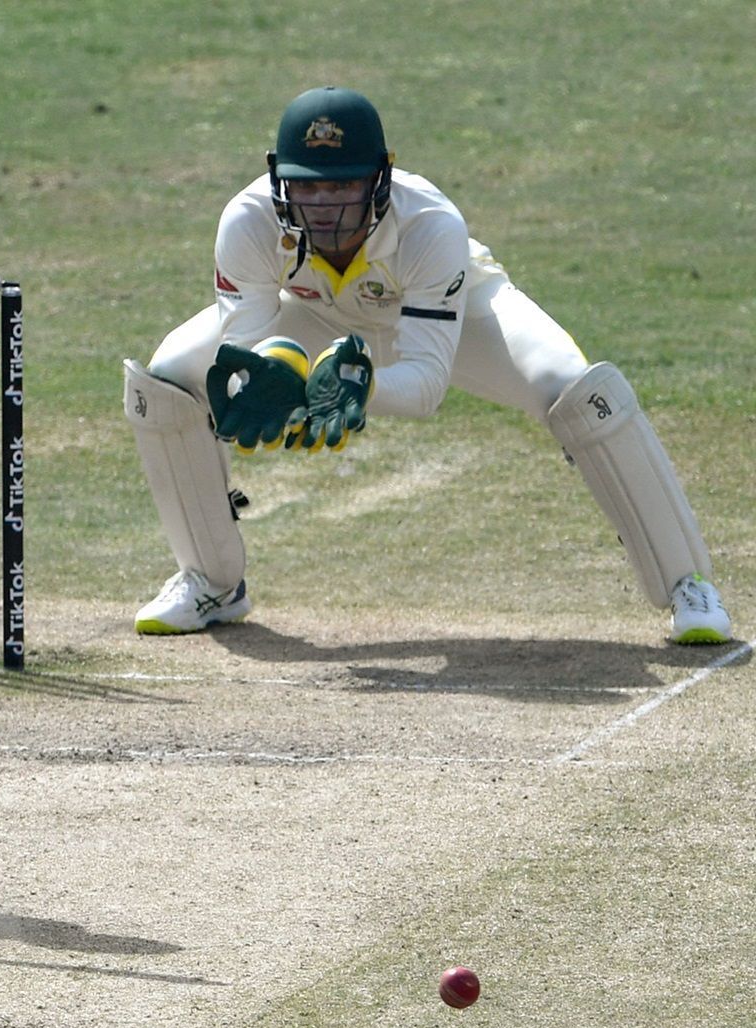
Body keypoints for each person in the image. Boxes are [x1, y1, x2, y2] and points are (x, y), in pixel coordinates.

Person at [122, 86, 731, 645]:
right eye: (308, 187)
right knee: (167, 379)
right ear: (280, 180)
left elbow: (425, 387)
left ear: (380, 180)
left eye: (342, 188)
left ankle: (688, 585)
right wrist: (279, 391)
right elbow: (250, 357)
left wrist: (352, 390)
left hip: (457, 319)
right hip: (316, 316)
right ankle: (212, 583)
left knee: (573, 387)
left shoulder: (430, 224)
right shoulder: (248, 221)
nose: (324, 207)